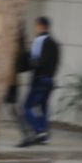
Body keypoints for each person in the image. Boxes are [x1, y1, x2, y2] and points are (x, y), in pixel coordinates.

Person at [19, 15, 61, 147]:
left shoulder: (39, 40)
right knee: (43, 108)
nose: (35, 28)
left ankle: (40, 130)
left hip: (39, 79)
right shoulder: (55, 43)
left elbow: (34, 61)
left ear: (42, 26)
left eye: (36, 25)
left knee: (27, 107)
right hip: (50, 80)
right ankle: (45, 136)